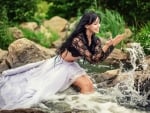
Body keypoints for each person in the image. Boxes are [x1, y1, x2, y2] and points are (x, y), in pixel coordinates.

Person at [0, 11, 132, 109]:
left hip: (72, 65)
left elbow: (98, 59)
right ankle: (83, 108)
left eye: (99, 23)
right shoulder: (77, 40)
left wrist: (110, 45)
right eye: (96, 23)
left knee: (89, 86)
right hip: (60, 66)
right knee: (34, 92)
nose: (99, 25)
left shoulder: (95, 40)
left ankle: (87, 107)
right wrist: (108, 45)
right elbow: (92, 60)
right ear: (86, 25)